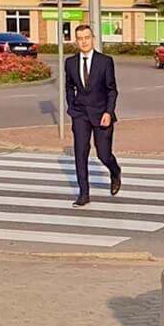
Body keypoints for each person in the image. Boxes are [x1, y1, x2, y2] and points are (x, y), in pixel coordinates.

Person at [64, 24, 120, 206]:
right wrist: (71, 108)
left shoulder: (105, 61)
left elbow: (112, 90)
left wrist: (109, 112)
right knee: (81, 153)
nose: (84, 42)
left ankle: (115, 171)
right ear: (76, 41)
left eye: (87, 38)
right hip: (80, 114)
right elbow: (69, 87)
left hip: (101, 113)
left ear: (93, 38)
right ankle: (84, 193)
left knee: (103, 154)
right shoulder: (70, 62)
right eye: (80, 39)